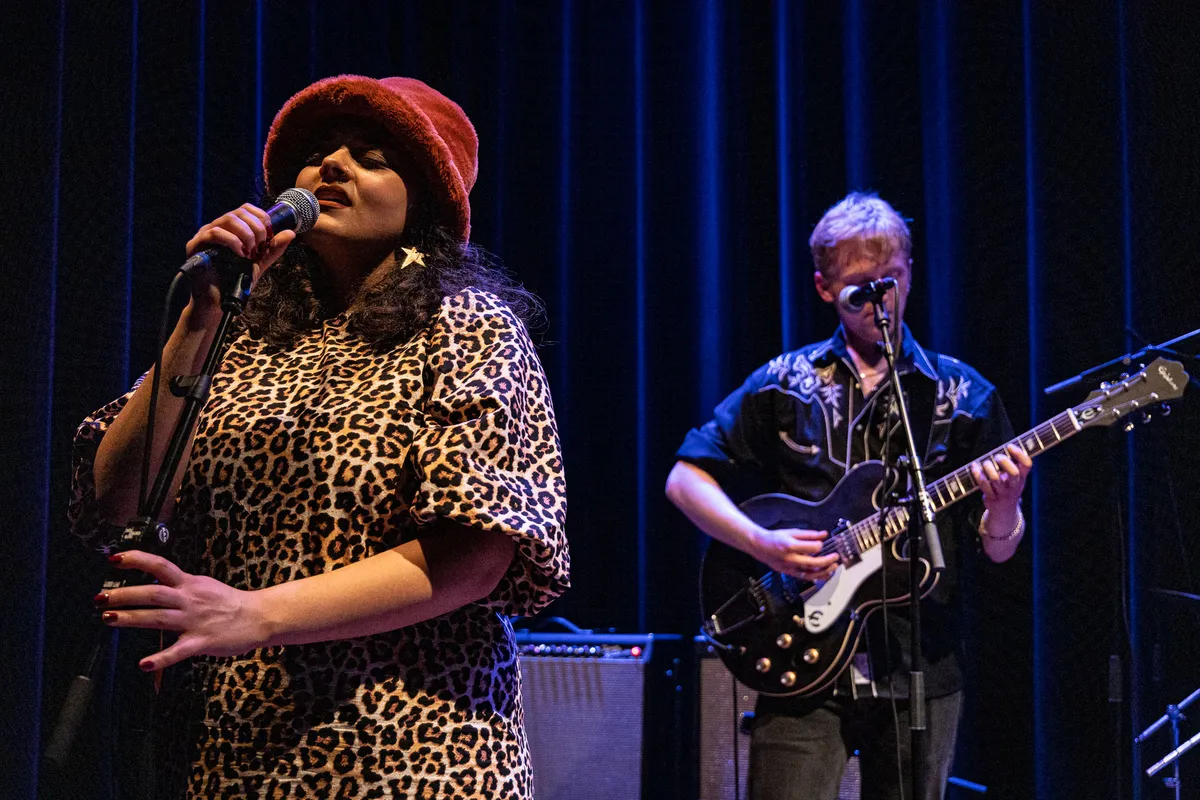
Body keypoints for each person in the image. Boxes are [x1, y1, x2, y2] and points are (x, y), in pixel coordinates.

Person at [69, 75, 569, 799]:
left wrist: (254, 614)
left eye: (372, 158)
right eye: (318, 154)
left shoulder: (467, 326)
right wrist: (199, 322)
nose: (332, 165)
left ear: (426, 203)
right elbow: (116, 505)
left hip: (408, 751)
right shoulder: (240, 331)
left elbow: (475, 555)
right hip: (222, 751)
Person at [665, 192, 1031, 800]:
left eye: (892, 281)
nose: (880, 302)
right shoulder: (785, 383)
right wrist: (762, 543)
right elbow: (684, 479)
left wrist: (1004, 507)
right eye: (860, 290)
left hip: (920, 665)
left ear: (910, 273)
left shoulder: (966, 396)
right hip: (798, 658)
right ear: (825, 287)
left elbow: (999, 550)